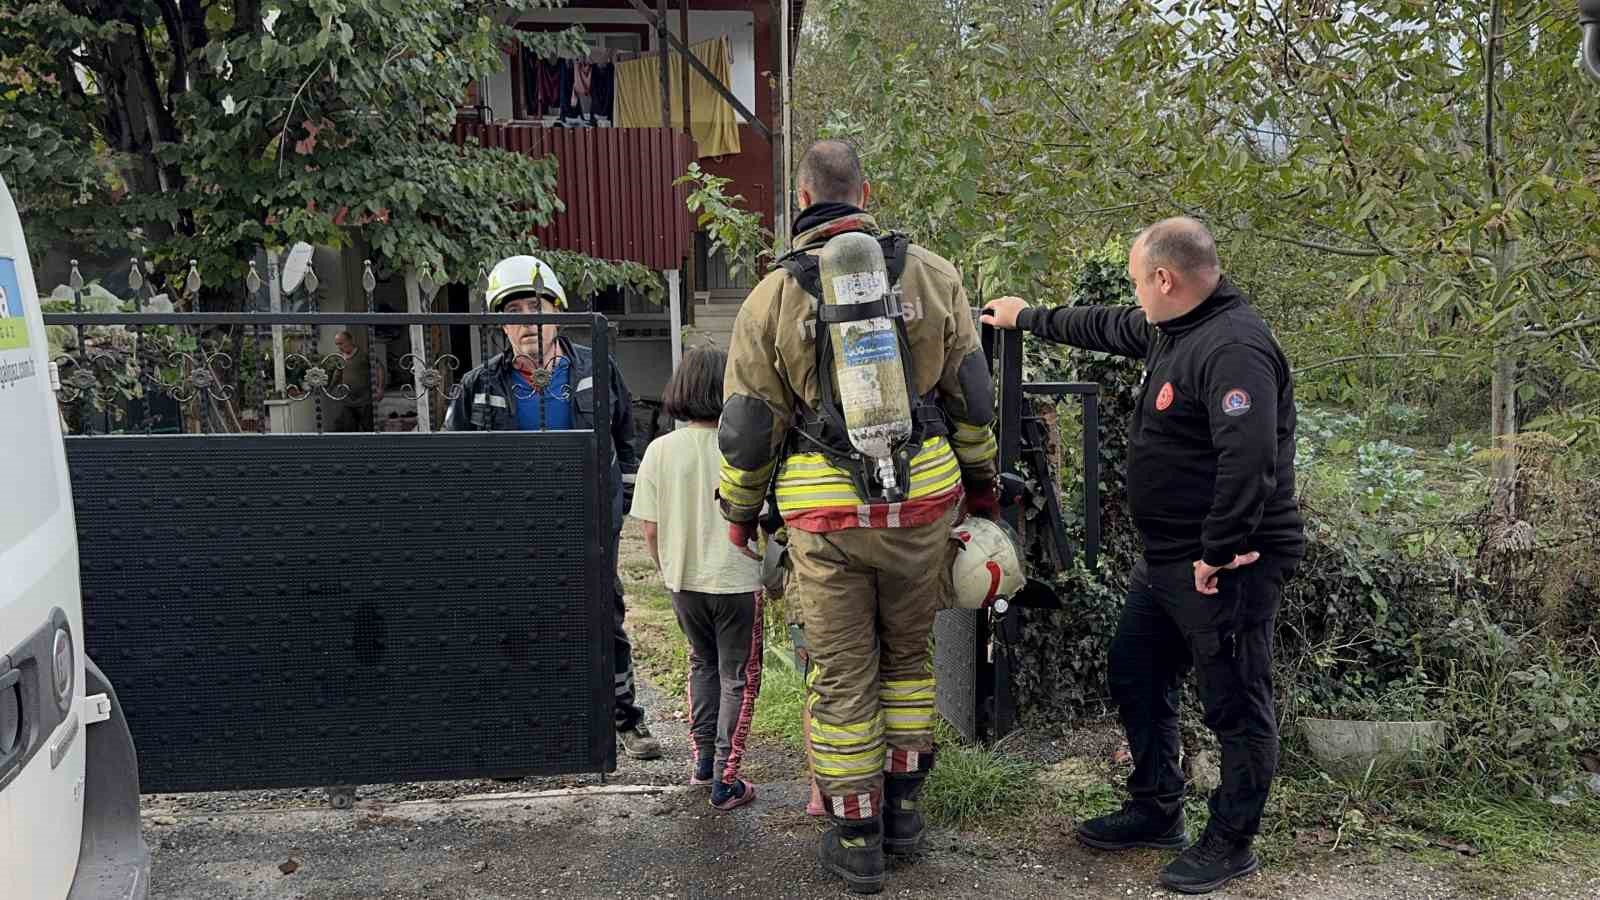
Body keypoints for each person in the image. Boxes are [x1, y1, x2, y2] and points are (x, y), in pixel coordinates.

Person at [981, 217, 1304, 895]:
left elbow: (1249, 462)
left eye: (1139, 282)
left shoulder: (1234, 347)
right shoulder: (1173, 326)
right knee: (1135, 669)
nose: (1135, 296)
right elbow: (1106, 325)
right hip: (1165, 561)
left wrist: (1219, 551)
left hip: (1223, 565)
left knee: (1236, 702)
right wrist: (1027, 317)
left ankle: (1231, 841)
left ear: (1167, 278)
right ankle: (1157, 806)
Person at [718, 140, 999, 894]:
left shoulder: (771, 297)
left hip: (826, 517)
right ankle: (906, 814)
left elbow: (748, 428)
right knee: (909, 663)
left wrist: (741, 513)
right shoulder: (935, 275)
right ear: (866, 191)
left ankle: (856, 840)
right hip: (923, 506)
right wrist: (983, 487)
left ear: (801, 197)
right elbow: (973, 400)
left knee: (843, 679)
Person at [445, 253, 661, 762]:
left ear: (557, 312)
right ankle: (518, 733)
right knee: (513, 624)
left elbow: (626, 439)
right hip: (512, 529)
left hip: (588, 522)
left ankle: (623, 719)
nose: (528, 322)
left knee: (603, 617)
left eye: (536, 307)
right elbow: (453, 459)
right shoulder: (480, 384)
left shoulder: (595, 366)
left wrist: (619, 505)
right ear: (502, 324)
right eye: (515, 311)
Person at [628, 348, 763, 810]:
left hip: (683, 582)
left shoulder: (660, 451)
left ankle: (703, 763)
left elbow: (649, 527)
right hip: (739, 580)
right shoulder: (744, 448)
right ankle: (727, 779)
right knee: (737, 677)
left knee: (701, 666)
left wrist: (669, 571)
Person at [329, 330, 380, 433]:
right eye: (337, 344)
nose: (339, 346)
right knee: (350, 428)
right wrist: (329, 389)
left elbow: (379, 368)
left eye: (341, 343)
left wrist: (380, 388)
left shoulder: (364, 353)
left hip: (364, 399)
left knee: (368, 428)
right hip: (348, 399)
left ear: (349, 341)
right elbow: (337, 374)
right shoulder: (340, 357)